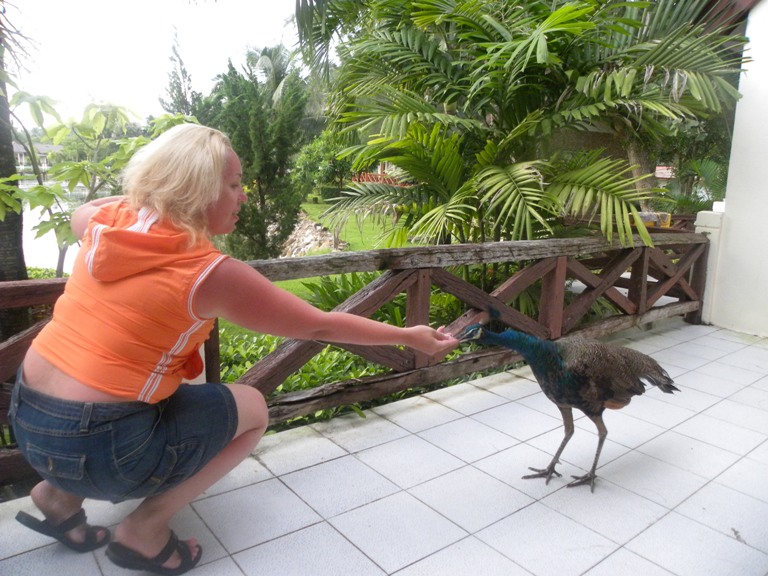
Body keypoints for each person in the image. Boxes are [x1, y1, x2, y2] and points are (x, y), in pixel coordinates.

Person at [8, 123, 459, 575]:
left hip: (26, 420)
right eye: (233, 184)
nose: (243, 196)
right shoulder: (209, 274)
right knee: (253, 408)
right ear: (196, 191)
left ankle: (57, 497)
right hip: (104, 450)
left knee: (116, 388)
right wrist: (409, 336)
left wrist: (152, 196)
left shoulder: (104, 225)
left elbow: (87, 209)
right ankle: (145, 529)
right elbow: (320, 325)